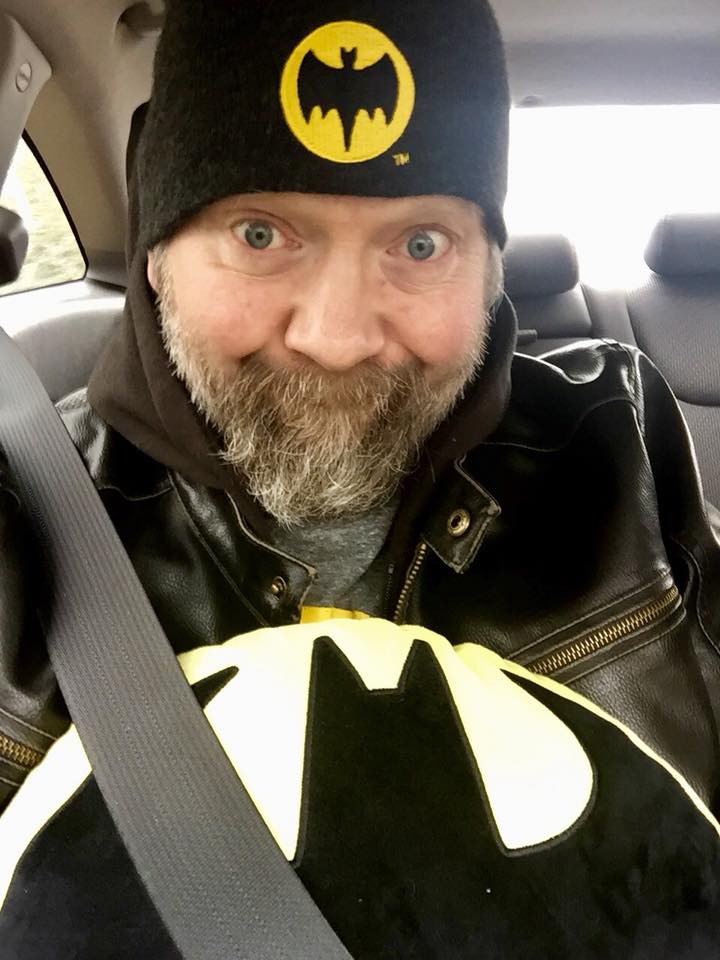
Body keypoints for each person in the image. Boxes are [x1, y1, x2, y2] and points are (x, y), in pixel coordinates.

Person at [1, 0, 720, 955]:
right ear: (157, 254)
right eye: (261, 234)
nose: (337, 338)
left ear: (488, 268)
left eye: (421, 245)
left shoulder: (617, 450)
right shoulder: (24, 514)